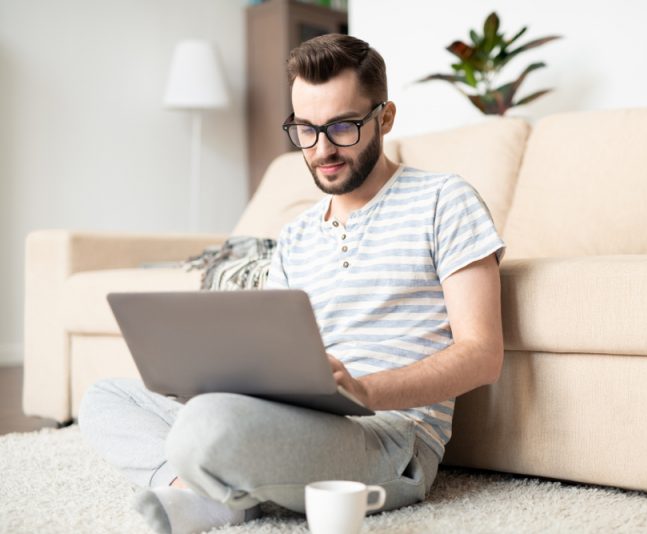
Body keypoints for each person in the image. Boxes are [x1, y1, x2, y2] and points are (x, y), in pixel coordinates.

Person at [79, 34, 505, 534]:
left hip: (392, 437)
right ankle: (204, 493)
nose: (321, 149)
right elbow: (276, 354)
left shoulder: (444, 200)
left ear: (385, 118)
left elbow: (482, 353)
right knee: (105, 399)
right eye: (305, 129)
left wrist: (366, 390)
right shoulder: (296, 235)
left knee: (210, 427)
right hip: (303, 419)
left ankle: (219, 491)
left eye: (343, 127)